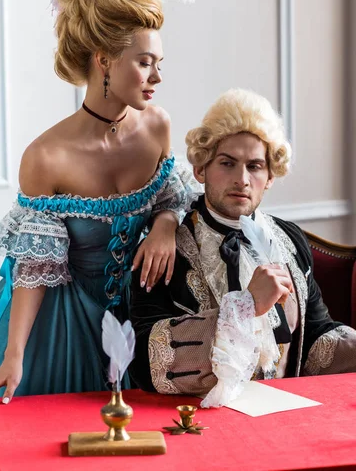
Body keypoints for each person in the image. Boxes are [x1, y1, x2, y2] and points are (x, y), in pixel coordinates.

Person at [0, 0, 197, 450]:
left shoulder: (156, 126)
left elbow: (174, 193)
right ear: (103, 60)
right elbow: (33, 268)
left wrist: (164, 222)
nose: (158, 77)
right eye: (144, 63)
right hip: (56, 328)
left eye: (160, 62)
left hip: (141, 322)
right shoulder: (47, 156)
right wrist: (13, 355)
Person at [130, 88, 356, 407]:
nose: (242, 179)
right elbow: (142, 360)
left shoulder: (289, 241)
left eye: (254, 166)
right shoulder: (167, 250)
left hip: (288, 417)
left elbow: (317, 341)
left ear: (270, 176)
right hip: (201, 421)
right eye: (227, 163)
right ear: (200, 169)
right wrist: (246, 306)